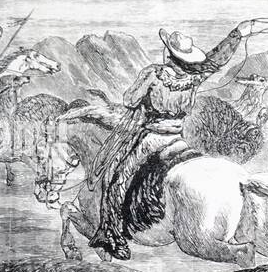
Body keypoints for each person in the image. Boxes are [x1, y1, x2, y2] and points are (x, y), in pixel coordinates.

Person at [89, 22, 258, 259]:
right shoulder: (195, 76)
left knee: (115, 179)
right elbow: (217, 59)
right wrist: (238, 34)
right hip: (178, 139)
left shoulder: (153, 74)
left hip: (151, 140)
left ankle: (113, 236)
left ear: (169, 53)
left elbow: (129, 99)